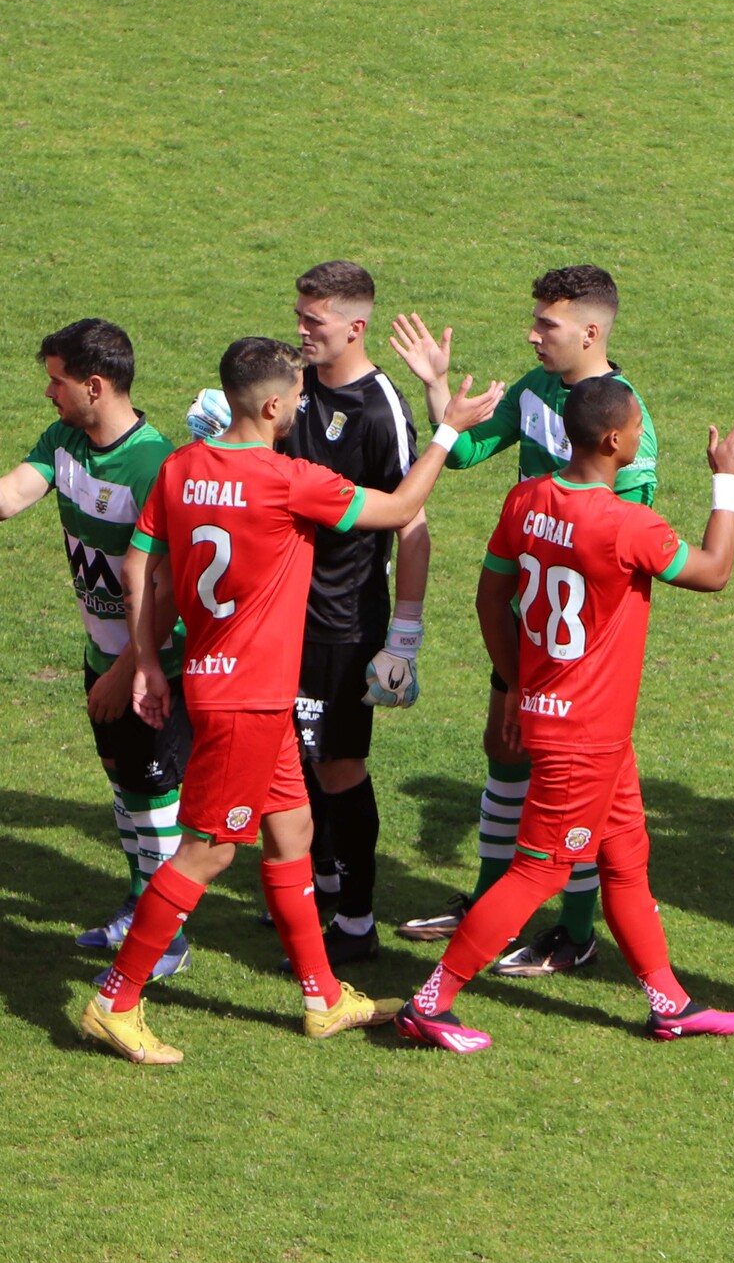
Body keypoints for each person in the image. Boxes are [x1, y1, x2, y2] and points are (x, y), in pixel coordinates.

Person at [79, 338, 501, 1065]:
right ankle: (115, 1001)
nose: (304, 407)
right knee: (207, 853)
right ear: (273, 404)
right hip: (246, 699)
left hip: (239, 688)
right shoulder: (288, 480)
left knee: (293, 831)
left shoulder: (182, 466)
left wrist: (147, 661)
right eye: (299, 398)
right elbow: (402, 506)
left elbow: (138, 564)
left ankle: (323, 997)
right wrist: (447, 431)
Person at [394, 381, 734, 1052]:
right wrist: (728, 479)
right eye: (638, 426)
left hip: (568, 719)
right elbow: (714, 571)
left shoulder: (526, 500)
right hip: (584, 735)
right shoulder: (627, 524)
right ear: (615, 441)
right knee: (539, 871)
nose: (642, 434)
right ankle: (430, 1001)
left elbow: (489, 599)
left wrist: (515, 685)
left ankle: (670, 1004)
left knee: (625, 859)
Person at [386, 265, 660, 978]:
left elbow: (630, 541)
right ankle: (487, 903)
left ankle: (575, 929)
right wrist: (436, 387)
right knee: (504, 748)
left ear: (591, 333)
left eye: (547, 324)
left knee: (577, 788)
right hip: (527, 615)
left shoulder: (625, 420)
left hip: (579, 639)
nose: (533, 335)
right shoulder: (537, 390)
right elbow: (467, 451)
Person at [0, 320, 191, 974]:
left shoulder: (154, 466)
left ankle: (168, 939)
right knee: (125, 784)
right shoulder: (65, 441)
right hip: (103, 657)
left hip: (153, 667)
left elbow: (170, 591)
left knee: (154, 794)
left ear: (95, 385)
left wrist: (126, 670)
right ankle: (141, 908)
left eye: (57, 381)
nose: (48, 392)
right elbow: (9, 497)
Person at [284, 261, 425, 965]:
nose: (301, 330)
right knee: (295, 758)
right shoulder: (291, 384)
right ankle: (322, 881)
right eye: (299, 316)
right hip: (281, 614)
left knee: (338, 765)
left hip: (343, 620)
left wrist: (404, 639)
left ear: (355, 326)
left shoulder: (378, 410)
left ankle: (358, 920)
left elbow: (412, 522)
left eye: (313, 321)